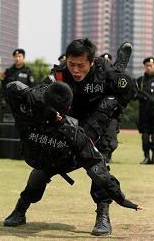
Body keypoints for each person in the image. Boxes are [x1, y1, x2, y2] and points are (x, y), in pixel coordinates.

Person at [2, 81, 143, 234]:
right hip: (45, 156)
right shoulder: (31, 106)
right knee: (39, 175)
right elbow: (12, 87)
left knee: (99, 171)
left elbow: (98, 169)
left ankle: (103, 215)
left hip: (72, 156)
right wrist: (39, 97)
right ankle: (20, 209)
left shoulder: (73, 132)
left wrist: (121, 199)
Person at [43, 38, 137, 236]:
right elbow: (42, 94)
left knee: (98, 162)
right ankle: (21, 206)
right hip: (75, 122)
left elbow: (129, 90)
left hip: (104, 120)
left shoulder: (103, 71)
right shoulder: (59, 74)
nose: (75, 70)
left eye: (81, 66)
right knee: (47, 162)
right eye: (71, 65)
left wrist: (114, 106)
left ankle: (103, 214)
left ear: (91, 62)